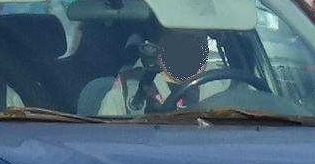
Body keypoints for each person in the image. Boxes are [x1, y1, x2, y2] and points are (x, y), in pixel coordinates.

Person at [97, 29, 228, 116]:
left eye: (194, 43)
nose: (185, 53)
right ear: (156, 47)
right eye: (176, 44)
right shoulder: (126, 96)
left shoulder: (225, 89)